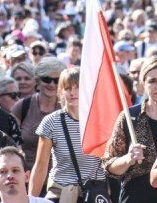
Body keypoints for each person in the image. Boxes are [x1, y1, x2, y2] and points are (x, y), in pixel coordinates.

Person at [103, 56, 157, 203]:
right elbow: (108, 166)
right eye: (152, 81)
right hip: (135, 197)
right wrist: (128, 159)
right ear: (144, 84)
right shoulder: (129, 118)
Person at [29, 68, 107, 199]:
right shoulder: (51, 122)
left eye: (77, 87)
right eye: (68, 88)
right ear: (60, 92)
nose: (73, 93)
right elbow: (40, 166)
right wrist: (31, 199)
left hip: (95, 193)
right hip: (61, 193)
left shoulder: (102, 120)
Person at [12, 58, 65, 167]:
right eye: (46, 79)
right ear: (37, 80)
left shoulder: (68, 108)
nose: (51, 84)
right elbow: (11, 144)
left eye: (57, 80)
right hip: (27, 174)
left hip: (61, 179)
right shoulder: (22, 106)